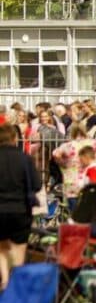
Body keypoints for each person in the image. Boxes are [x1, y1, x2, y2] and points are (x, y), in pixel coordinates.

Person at [0, 124, 39, 290]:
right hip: (20, 210)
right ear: (15, 138)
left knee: (1, 247)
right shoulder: (25, 159)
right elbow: (36, 185)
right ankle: (17, 284)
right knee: (18, 250)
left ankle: (5, 280)